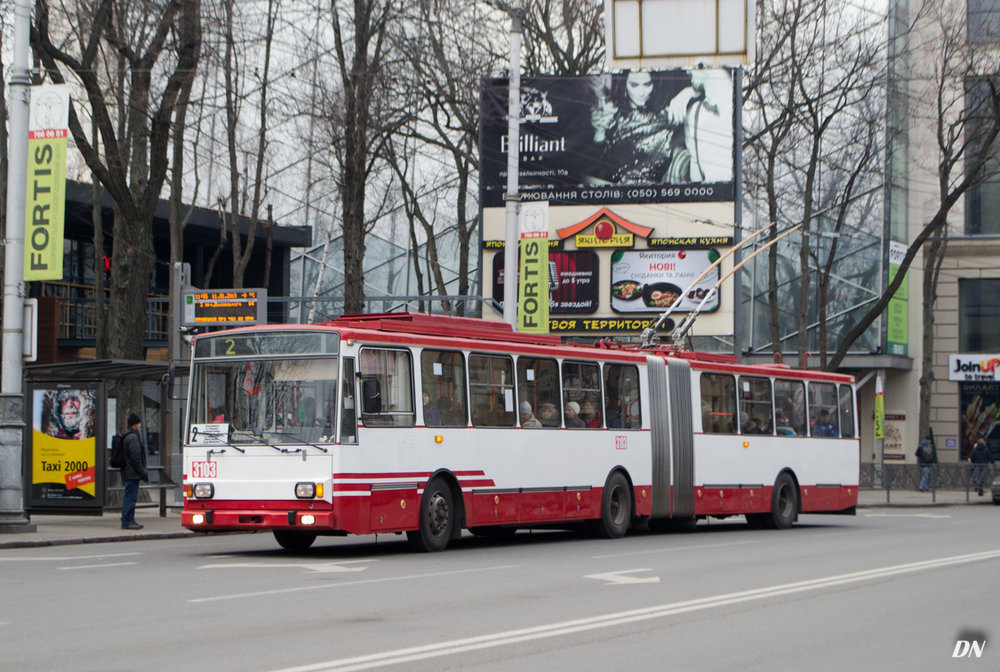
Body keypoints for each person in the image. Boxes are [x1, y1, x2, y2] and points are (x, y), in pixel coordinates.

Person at [589, 71, 687, 185]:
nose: (641, 92)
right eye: (634, 85)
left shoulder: (666, 115)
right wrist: (599, 132)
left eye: (647, 84)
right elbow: (597, 164)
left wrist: (687, 93)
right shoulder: (612, 115)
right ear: (624, 84)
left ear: (654, 83)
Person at [120, 412, 148, 530]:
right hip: (132, 473)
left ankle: (130, 520)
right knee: (130, 497)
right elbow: (135, 457)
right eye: (139, 424)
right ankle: (127, 521)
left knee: (130, 497)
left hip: (128, 472)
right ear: (135, 425)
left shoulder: (128, 436)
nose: (140, 426)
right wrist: (142, 472)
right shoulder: (133, 438)